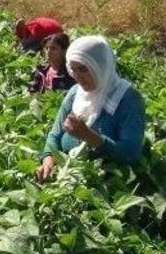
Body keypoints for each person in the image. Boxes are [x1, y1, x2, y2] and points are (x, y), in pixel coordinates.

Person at [35, 35, 146, 182]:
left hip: (107, 183)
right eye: (73, 69)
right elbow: (54, 135)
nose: (77, 76)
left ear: (100, 66)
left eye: (83, 69)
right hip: (68, 176)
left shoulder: (128, 99)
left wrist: (91, 137)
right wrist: (48, 159)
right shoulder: (75, 93)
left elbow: (131, 154)